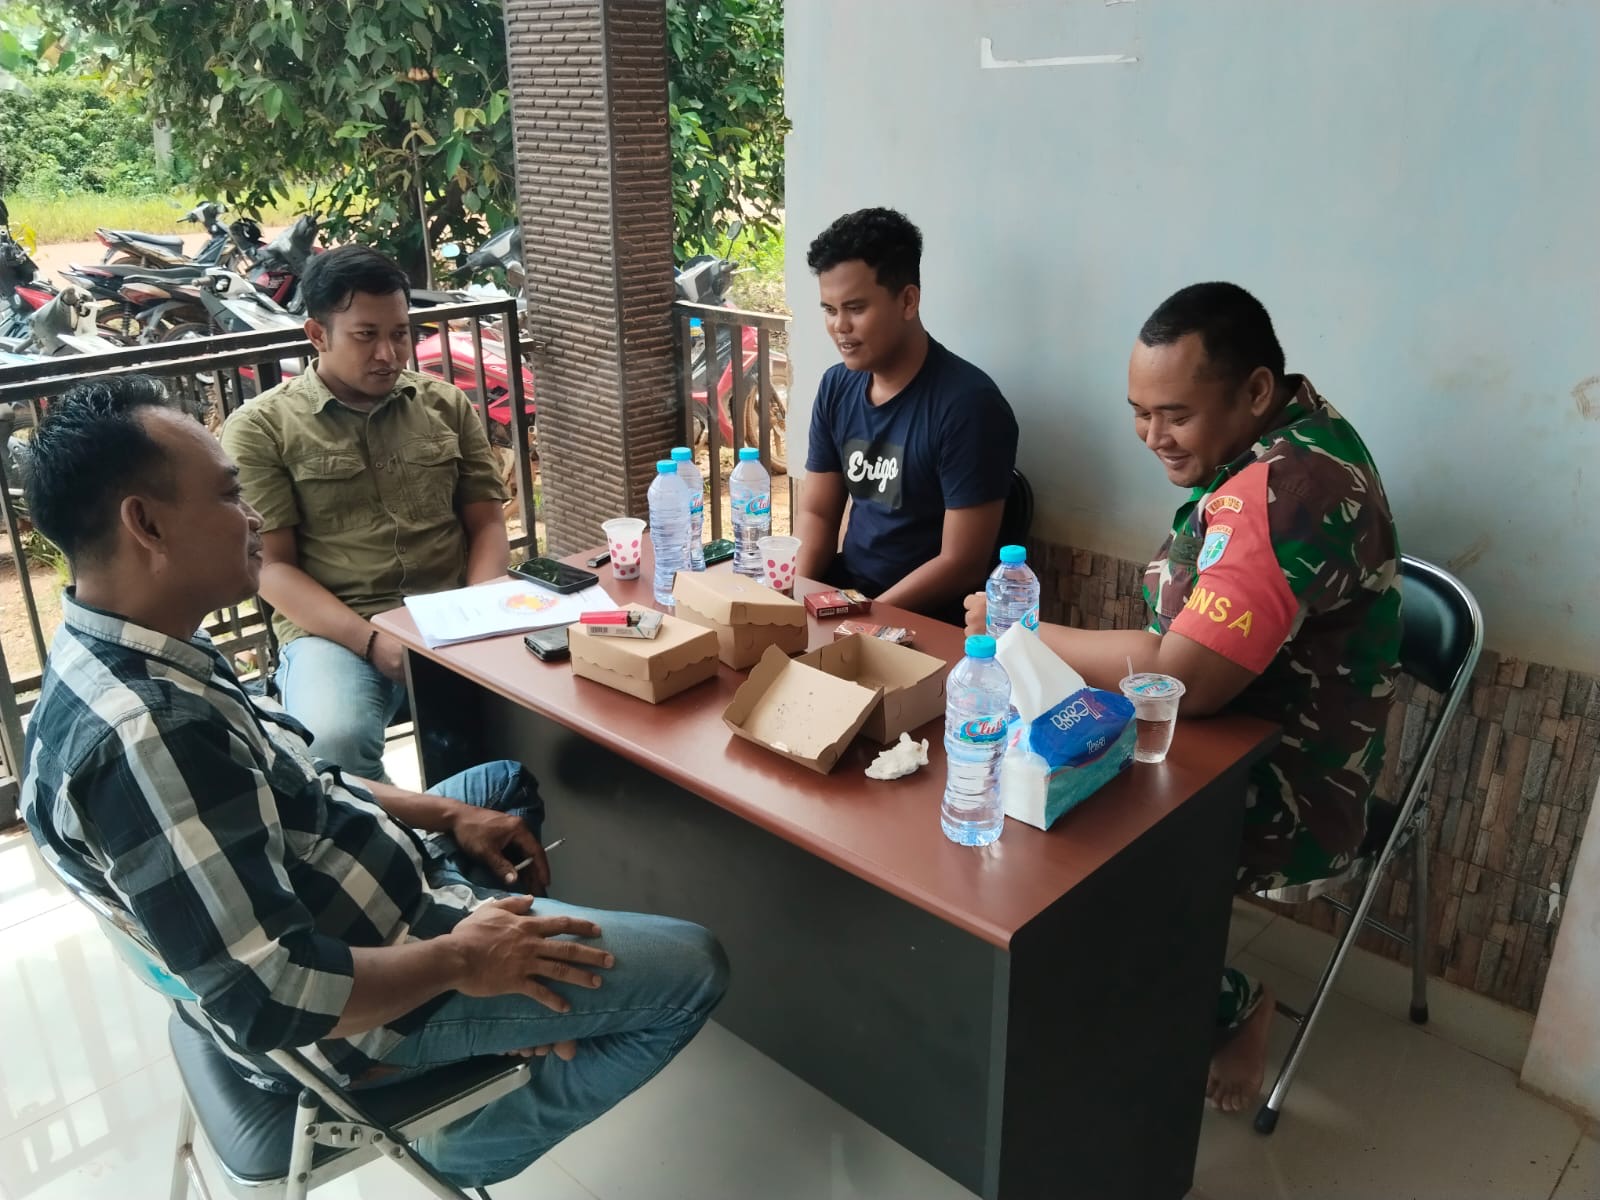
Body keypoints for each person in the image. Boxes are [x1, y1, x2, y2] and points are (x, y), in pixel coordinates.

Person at [20, 377, 728, 1189]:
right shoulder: (147, 737)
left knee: (497, 791)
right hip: (357, 1009)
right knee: (696, 968)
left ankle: (509, 999)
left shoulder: (137, 647)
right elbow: (272, 993)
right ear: (145, 524)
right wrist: (463, 961)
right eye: (227, 496)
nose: (252, 519)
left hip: (362, 890)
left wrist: (446, 813)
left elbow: (300, 780)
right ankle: (459, 1142)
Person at [965, 283, 1401, 1114]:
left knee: (1062, 856)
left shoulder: (1287, 491)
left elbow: (1183, 679)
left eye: (1175, 415)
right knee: (1024, 781)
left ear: (1256, 391)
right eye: (1139, 413)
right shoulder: (1287, 439)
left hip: (1281, 780)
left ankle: (1228, 1006)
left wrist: (1021, 633)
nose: (1153, 436)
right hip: (1224, 724)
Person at [220, 244, 510, 781]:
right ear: (317, 334)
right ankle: (406, 831)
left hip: (454, 611)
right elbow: (272, 566)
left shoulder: (444, 404)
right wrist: (373, 642)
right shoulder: (262, 428)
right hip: (335, 629)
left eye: (400, 333)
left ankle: (494, 810)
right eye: (365, 335)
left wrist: (478, 613)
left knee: (550, 697)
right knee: (333, 741)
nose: (388, 354)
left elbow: (488, 523)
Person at [795, 207, 1018, 624]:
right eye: (829, 309)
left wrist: (864, 619)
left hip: (929, 623)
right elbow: (818, 513)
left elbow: (961, 563)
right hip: (850, 598)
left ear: (908, 301)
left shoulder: (969, 406)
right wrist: (798, 598)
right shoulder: (836, 387)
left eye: (855, 308)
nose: (840, 326)